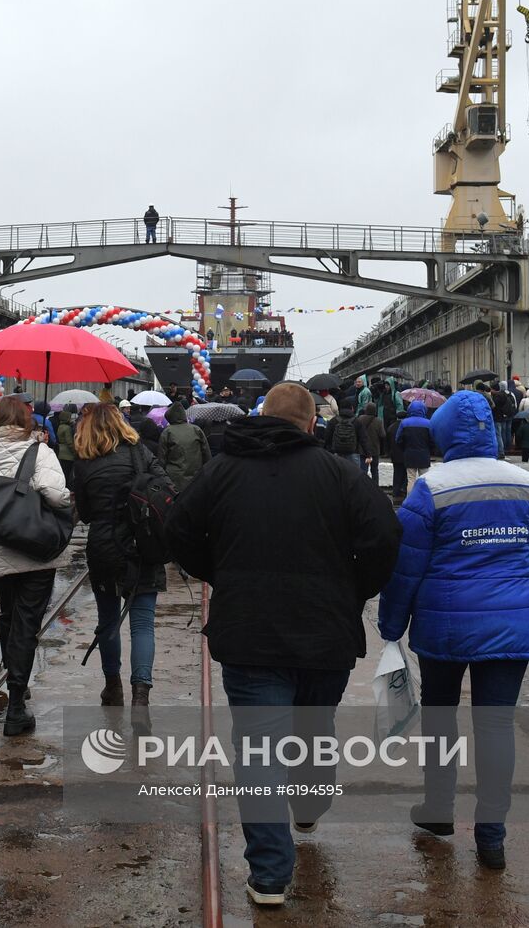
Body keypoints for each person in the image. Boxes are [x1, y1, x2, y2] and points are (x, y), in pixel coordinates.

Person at [165, 382, 401, 906]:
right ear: (311, 423)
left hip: (250, 633)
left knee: (258, 753)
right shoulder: (341, 473)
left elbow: (176, 527)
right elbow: (385, 536)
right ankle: (310, 806)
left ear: (260, 416)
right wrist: (353, 589)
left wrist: (221, 573)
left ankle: (270, 874)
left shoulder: (223, 469)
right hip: (325, 632)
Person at [378, 390, 529, 872]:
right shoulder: (527, 483)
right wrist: (518, 606)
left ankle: (438, 810)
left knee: (441, 718)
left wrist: (391, 625)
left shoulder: (429, 490)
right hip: (510, 624)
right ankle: (492, 835)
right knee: (496, 725)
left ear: (443, 434)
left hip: (445, 627)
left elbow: (405, 569)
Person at [0, 396, 74, 736]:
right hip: (34, 549)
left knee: (9, 614)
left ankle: (14, 674)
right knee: (27, 623)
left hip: (0, 546)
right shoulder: (40, 451)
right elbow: (54, 492)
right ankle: (16, 702)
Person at [74, 402, 174, 708]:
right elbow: (166, 488)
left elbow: (87, 513)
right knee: (143, 622)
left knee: (108, 621)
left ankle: (112, 686)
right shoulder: (140, 452)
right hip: (142, 544)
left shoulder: (85, 461)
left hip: (104, 547)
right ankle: (141, 694)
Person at [156, 401, 210, 491]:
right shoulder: (196, 429)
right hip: (196, 476)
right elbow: (206, 454)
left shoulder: (167, 432)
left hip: (175, 479)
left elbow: (162, 458)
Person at [395, 401, 433, 483]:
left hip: (409, 454)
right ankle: (423, 495)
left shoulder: (404, 423)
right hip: (424, 454)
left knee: (411, 479)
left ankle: (411, 496)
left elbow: (398, 439)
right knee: (424, 479)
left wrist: (404, 448)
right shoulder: (428, 423)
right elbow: (432, 440)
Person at [354, 402, 385, 484]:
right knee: (375, 471)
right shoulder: (378, 421)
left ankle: (363, 487)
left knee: (363, 470)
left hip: (362, 449)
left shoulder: (360, 419)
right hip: (375, 449)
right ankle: (375, 488)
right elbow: (382, 435)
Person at [386, 408, 409, 501]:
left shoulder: (391, 427)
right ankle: (402, 490)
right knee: (405, 473)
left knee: (397, 473)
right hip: (404, 453)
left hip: (394, 454)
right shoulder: (406, 427)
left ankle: (396, 491)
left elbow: (387, 441)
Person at [54, 406, 77, 488]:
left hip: (61, 452)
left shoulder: (60, 426)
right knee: (67, 474)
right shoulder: (67, 428)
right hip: (67, 454)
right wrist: (75, 452)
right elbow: (69, 442)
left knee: (63, 472)